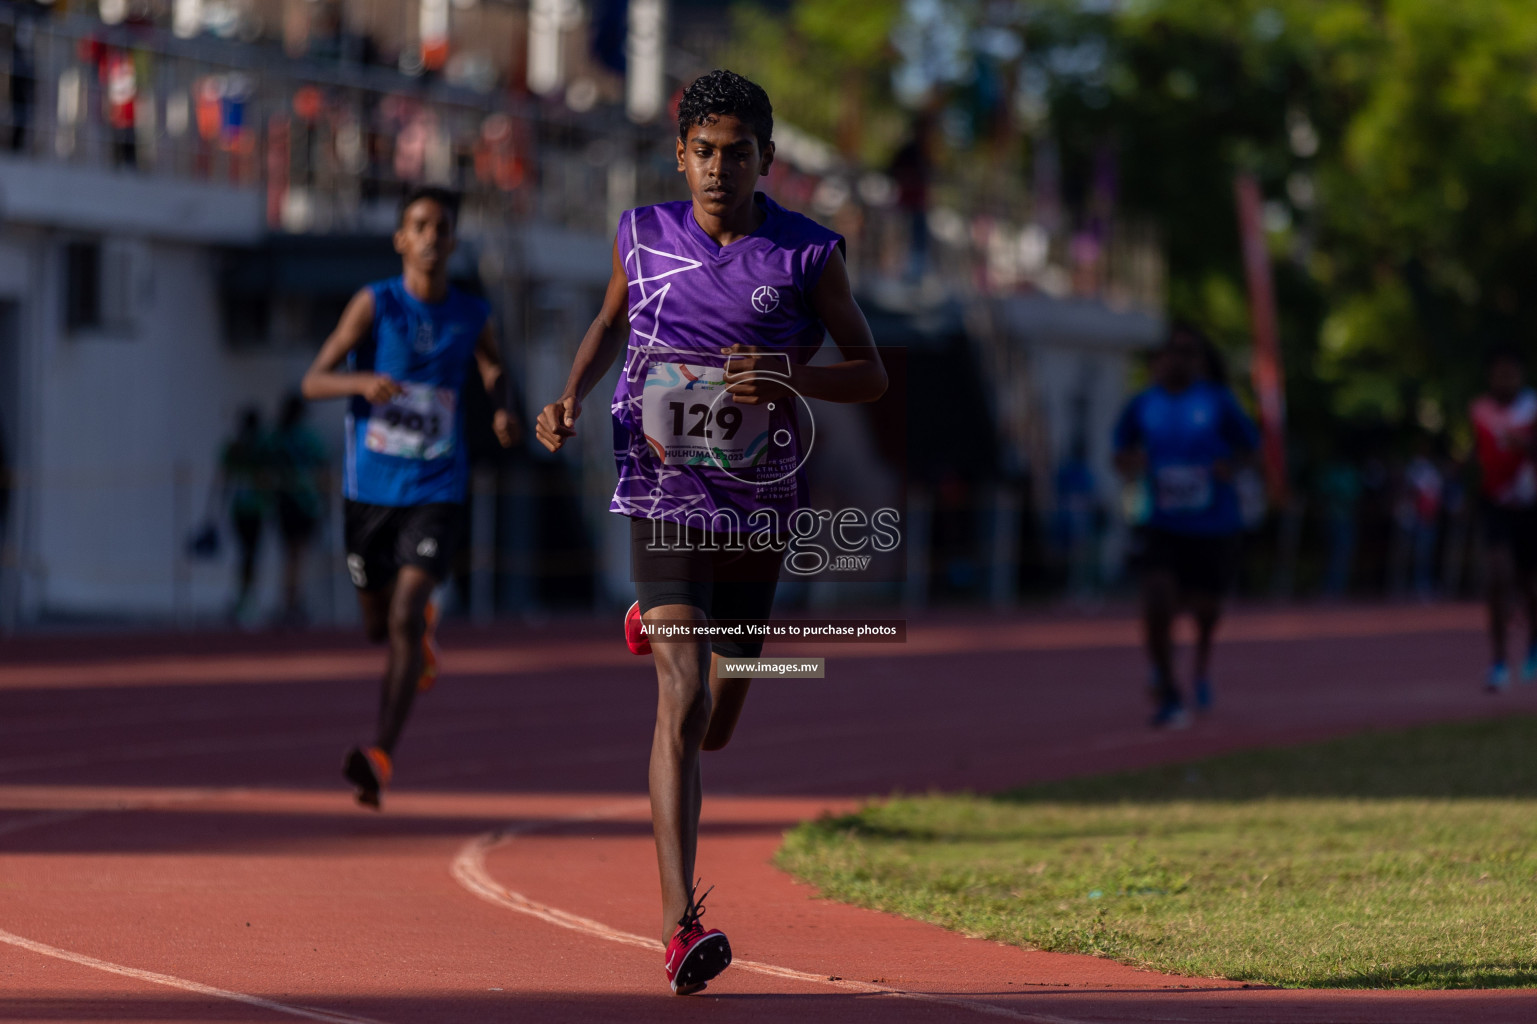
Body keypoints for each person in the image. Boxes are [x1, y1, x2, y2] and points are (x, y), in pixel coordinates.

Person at [534, 69, 886, 995]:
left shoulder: (809, 257)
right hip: (662, 486)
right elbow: (609, 323)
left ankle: (669, 627)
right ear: (678, 156)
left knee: (721, 713)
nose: (719, 168)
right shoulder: (641, 235)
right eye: (703, 152)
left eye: (738, 153)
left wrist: (788, 376)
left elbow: (870, 374)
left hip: (760, 502)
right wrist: (571, 392)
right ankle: (677, 924)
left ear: (767, 161)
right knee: (680, 695)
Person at [300, 184, 516, 808]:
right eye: (418, 225)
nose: (429, 236)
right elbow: (314, 379)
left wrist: (502, 409)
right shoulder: (374, 305)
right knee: (377, 624)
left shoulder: (472, 313)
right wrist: (362, 379)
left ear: (452, 240)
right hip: (369, 490)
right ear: (400, 238)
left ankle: (382, 756)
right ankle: (418, 643)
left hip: (436, 487)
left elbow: (493, 368)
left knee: (403, 610)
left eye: (441, 226)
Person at [1113, 324, 1259, 728]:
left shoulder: (1218, 402)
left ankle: (1201, 664)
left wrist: (1231, 467)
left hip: (1214, 526)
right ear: (1160, 360)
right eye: (1173, 352)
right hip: (1163, 524)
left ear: (1199, 360)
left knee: (1206, 609)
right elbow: (1120, 450)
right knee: (1158, 601)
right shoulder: (1143, 405)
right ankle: (1169, 690)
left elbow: (1252, 449)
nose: (1180, 360)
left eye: (1189, 353)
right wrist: (1130, 465)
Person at [1469, 345, 1537, 691]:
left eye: (1511, 372)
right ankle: (1498, 661)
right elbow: (1474, 456)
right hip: (1495, 506)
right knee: (1497, 576)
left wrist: (1524, 447)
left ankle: (1533, 649)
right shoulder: (1479, 410)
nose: (1505, 378)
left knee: (1529, 584)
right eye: (1499, 372)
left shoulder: (1532, 409)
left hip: (1530, 506)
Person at [270, 393, 329, 626]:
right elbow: (322, 467)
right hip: (304, 503)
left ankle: (291, 602)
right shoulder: (307, 438)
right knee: (298, 556)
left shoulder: (278, 438)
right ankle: (293, 603)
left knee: (291, 556)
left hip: (286, 502)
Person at [220, 406, 271, 626]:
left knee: (249, 555)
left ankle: (246, 598)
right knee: (248, 555)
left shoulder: (255, 449)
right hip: (246, 510)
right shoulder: (240, 449)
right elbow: (225, 478)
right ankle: (244, 599)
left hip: (251, 509)